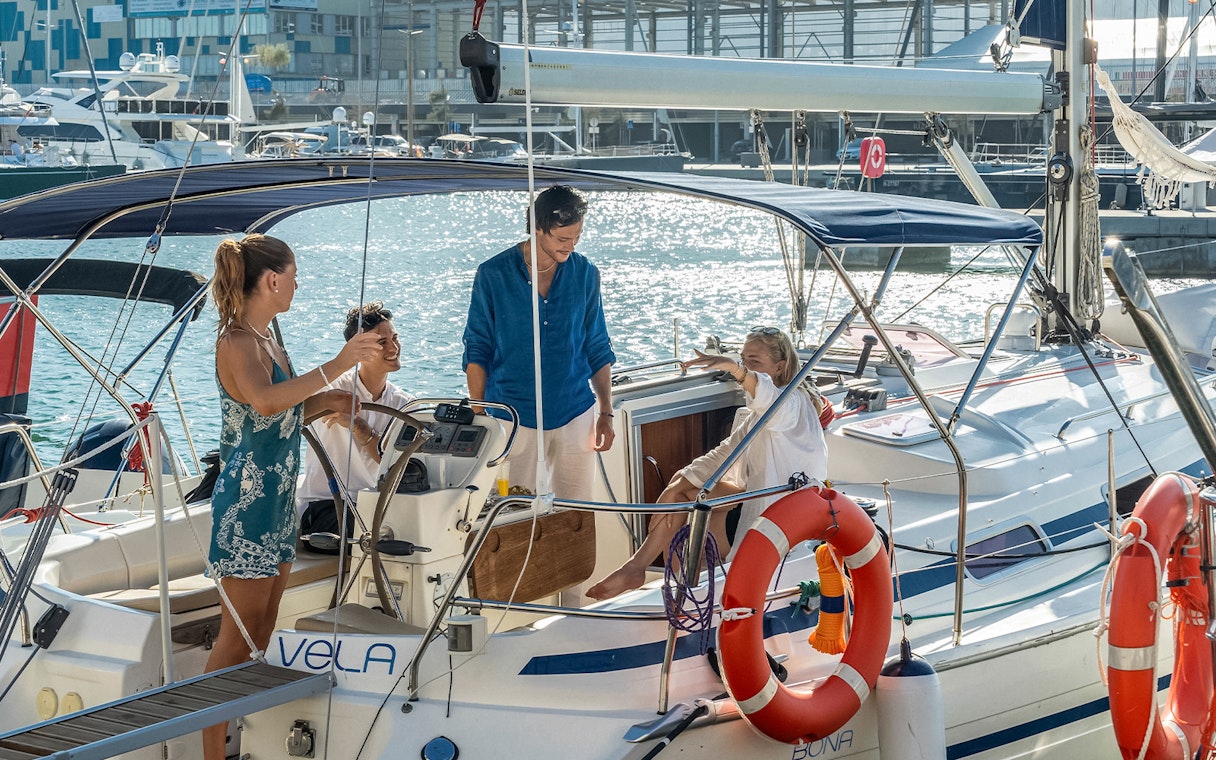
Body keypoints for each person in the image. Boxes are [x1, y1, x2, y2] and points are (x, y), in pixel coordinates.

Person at [202, 234, 382, 760]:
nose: (298, 285)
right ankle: (212, 752)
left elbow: (278, 417)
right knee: (236, 637)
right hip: (246, 504)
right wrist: (337, 363)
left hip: (278, 502)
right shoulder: (236, 341)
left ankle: (239, 741)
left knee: (261, 629)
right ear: (272, 279)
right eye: (294, 275)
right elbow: (262, 400)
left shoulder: (267, 340)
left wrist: (328, 402)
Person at [586, 327, 828, 601]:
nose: (746, 366)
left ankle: (645, 572)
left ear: (780, 366)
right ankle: (651, 574)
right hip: (764, 498)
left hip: (786, 511)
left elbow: (767, 395)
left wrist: (737, 371)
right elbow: (727, 451)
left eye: (755, 362)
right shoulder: (757, 413)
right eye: (743, 359)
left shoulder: (792, 404)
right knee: (681, 490)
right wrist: (680, 480)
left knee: (687, 497)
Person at [462, 184, 616, 500]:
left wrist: (606, 412)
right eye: (562, 239)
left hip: (576, 412)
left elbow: (597, 345)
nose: (571, 246)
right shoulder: (493, 274)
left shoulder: (586, 273)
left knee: (578, 515)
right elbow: (478, 347)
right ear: (538, 229)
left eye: (577, 237)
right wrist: (479, 411)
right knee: (510, 515)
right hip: (511, 416)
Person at [296, 301, 415, 549]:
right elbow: (290, 414)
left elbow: (395, 466)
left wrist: (359, 426)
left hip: (373, 507)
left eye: (395, 338)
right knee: (390, 534)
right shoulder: (330, 390)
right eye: (382, 343)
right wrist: (326, 402)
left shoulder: (405, 405)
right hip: (325, 509)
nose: (394, 347)